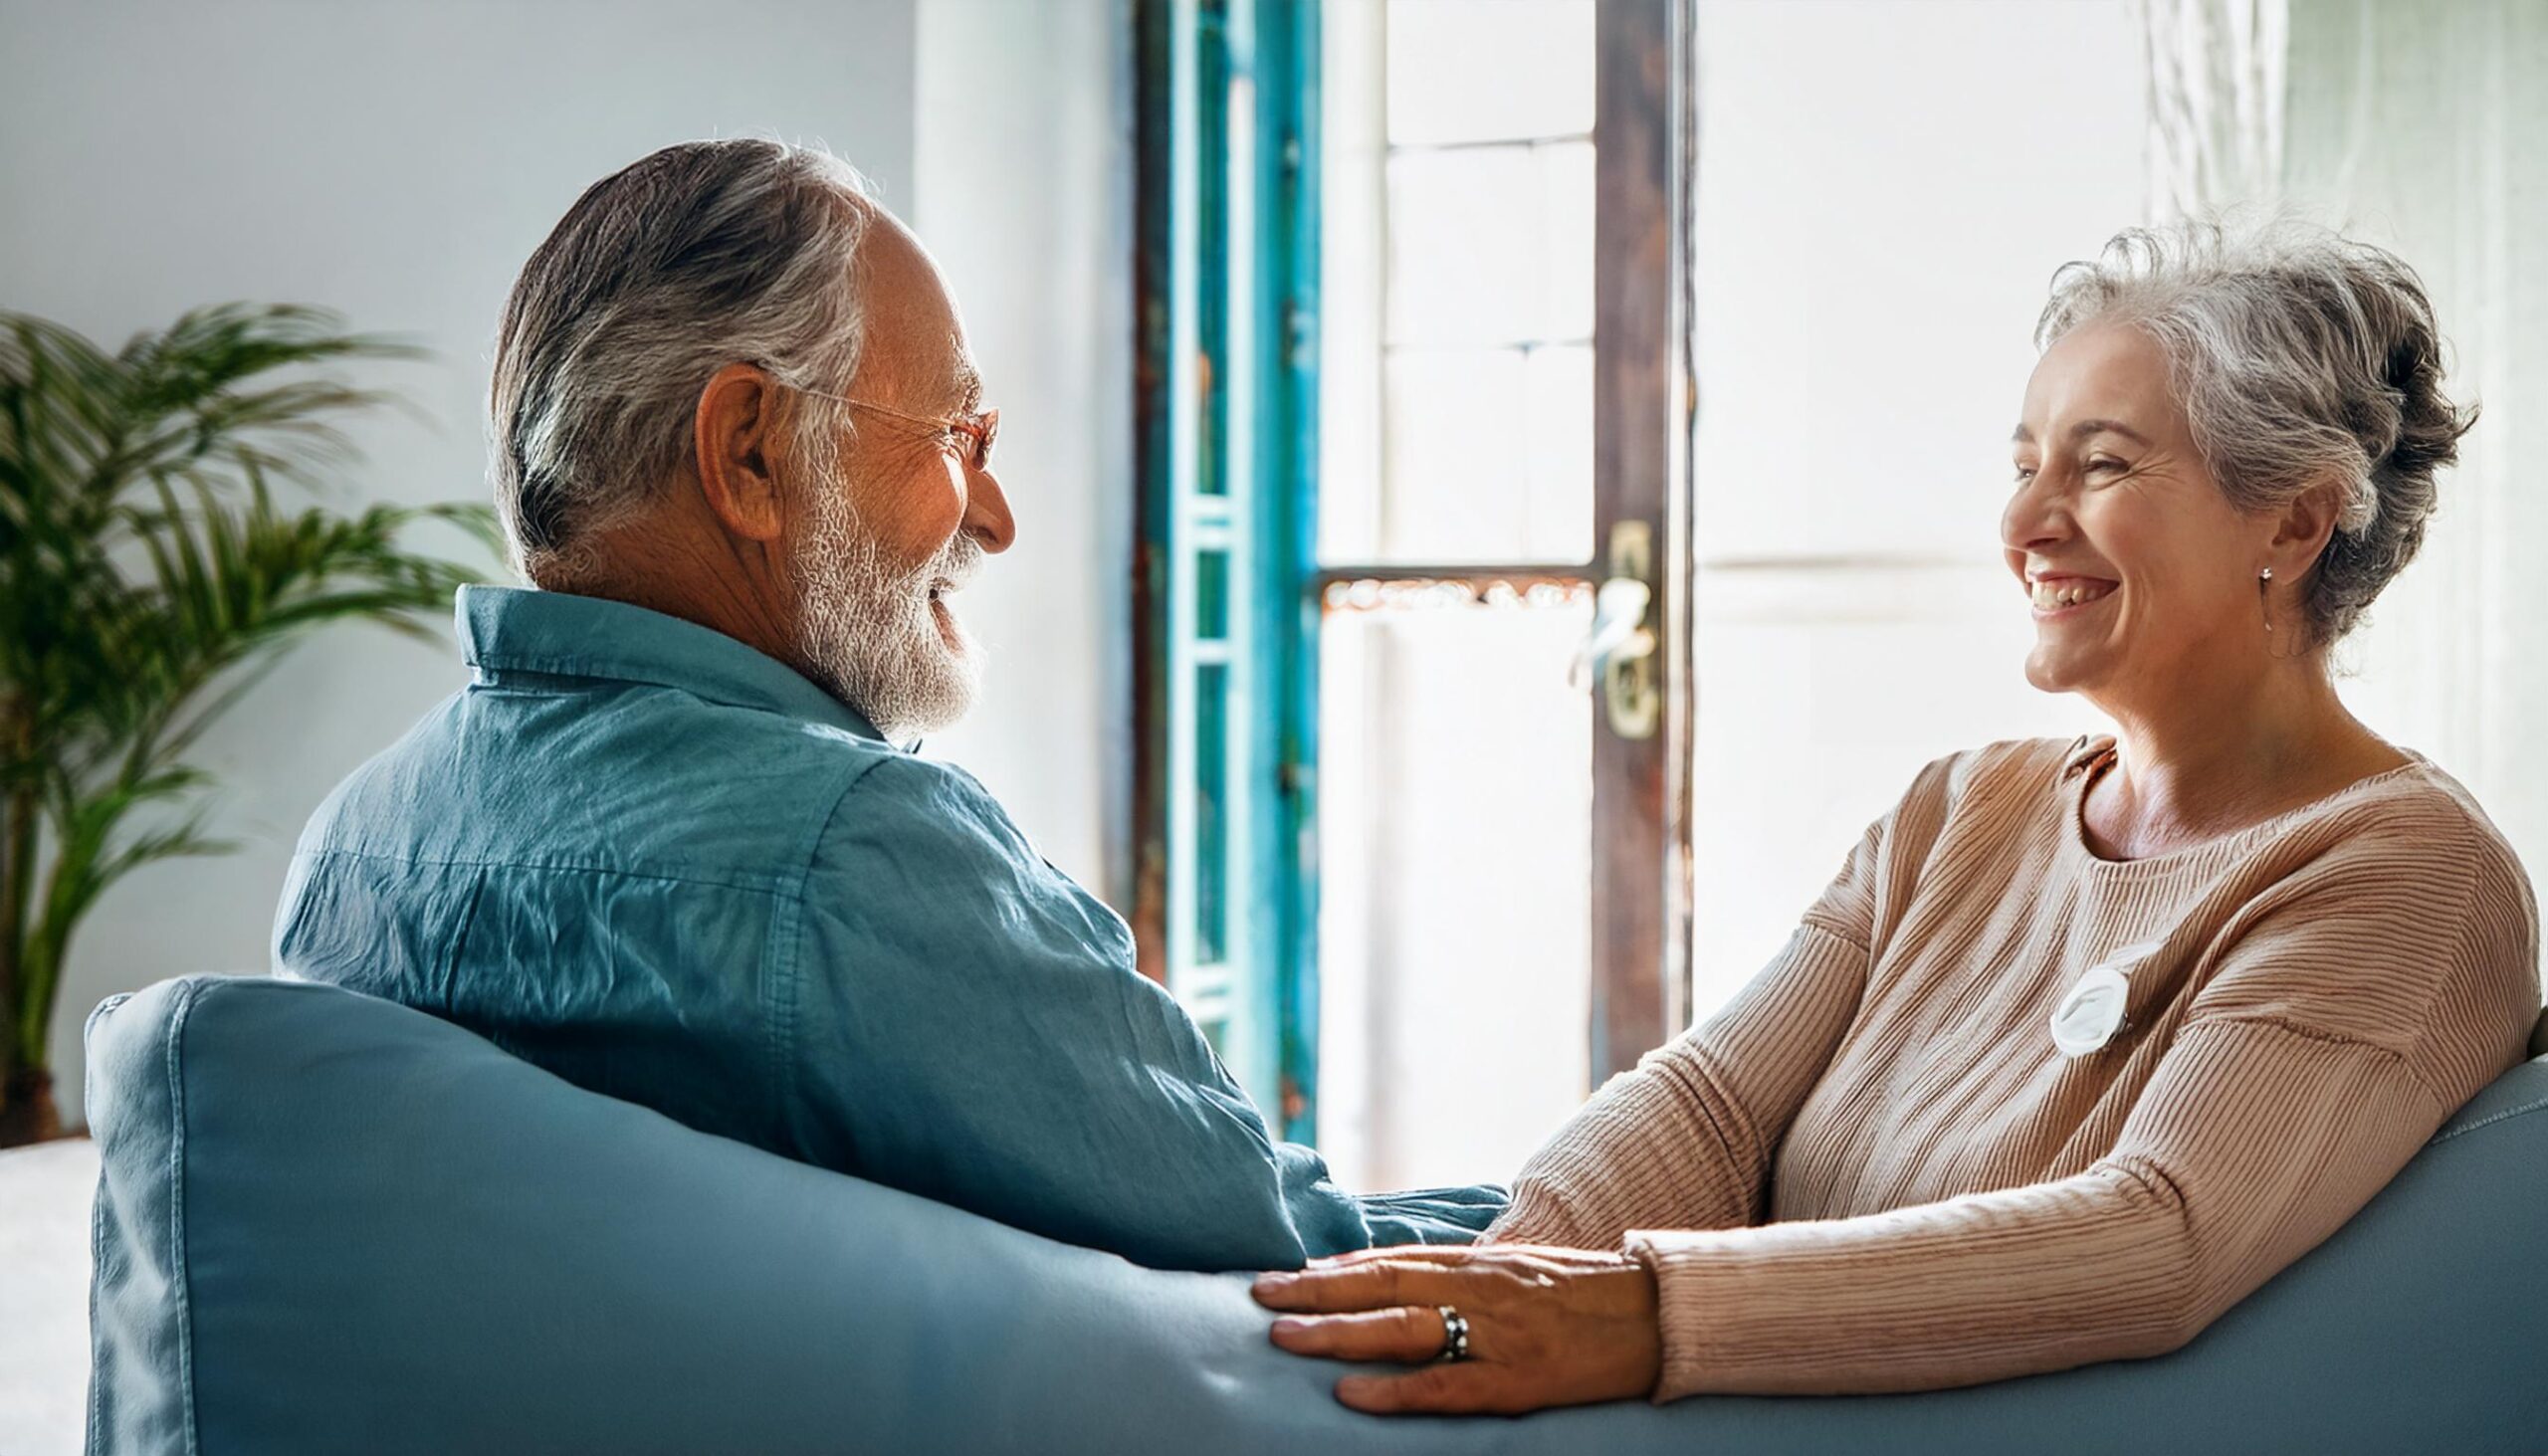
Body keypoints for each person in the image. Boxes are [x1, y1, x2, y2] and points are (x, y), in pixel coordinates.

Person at [1254, 218, 2544, 1410]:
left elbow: (2156, 1233)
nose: (2027, 522)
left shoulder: (2405, 872)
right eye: (2026, 463)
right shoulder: (1964, 803)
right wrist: (1507, 1281)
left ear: (2298, 518)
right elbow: (1708, 1104)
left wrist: (1638, 1311)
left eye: (2100, 464)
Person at [273, 137, 1503, 1273]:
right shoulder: (856, 854)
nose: (996, 514)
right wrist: (1655, 1214)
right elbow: (1300, 1251)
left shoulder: (350, 846)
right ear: (749, 452)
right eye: (957, 433)